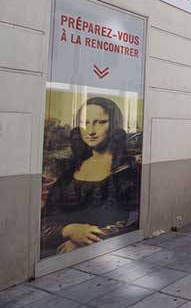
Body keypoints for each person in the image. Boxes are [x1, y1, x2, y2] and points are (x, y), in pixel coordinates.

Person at [42, 97, 139, 257]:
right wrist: (69, 231)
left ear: (114, 126)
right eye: (85, 123)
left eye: (100, 122)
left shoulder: (125, 170)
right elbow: (45, 218)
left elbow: (130, 221)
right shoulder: (71, 169)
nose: (91, 131)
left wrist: (81, 239)